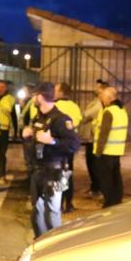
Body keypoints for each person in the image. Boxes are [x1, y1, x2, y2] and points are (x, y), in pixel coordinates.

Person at [22, 82, 81, 237]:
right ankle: (40, 244)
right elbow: (35, 141)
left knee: (52, 212)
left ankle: (55, 247)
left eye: (34, 95)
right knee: (37, 211)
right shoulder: (38, 117)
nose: (33, 98)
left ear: (40, 97)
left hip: (55, 171)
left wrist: (52, 141)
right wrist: (29, 135)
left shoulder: (61, 119)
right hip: (38, 170)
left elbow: (74, 144)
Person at [92, 82, 127, 207]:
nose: (102, 101)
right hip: (116, 151)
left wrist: (98, 151)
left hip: (106, 152)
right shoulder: (122, 110)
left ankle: (109, 203)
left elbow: (104, 134)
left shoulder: (109, 112)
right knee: (116, 178)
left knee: (106, 180)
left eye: (102, 98)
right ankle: (117, 200)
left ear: (109, 98)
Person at [54, 85, 84, 213]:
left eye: (55, 90)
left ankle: (58, 203)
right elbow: (77, 122)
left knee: (58, 174)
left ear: (61, 92)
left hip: (57, 145)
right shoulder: (74, 106)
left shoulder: (56, 107)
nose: (53, 92)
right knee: (68, 173)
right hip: (70, 146)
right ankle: (69, 203)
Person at [81, 81, 105, 197]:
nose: (94, 88)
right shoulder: (96, 102)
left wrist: (80, 116)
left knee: (94, 165)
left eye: (97, 86)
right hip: (91, 137)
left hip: (95, 138)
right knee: (91, 164)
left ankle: (97, 188)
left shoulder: (99, 104)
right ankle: (95, 187)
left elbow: (86, 114)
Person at [0, 80, 16, 183]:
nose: (0, 89)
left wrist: (15, 129)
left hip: (3, 130)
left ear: (6, 88)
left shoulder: (10, 99)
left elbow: (13, 115)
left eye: (2, 87)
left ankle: (1, 174)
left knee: (2, 153)